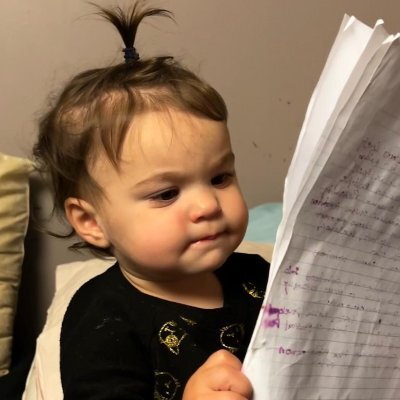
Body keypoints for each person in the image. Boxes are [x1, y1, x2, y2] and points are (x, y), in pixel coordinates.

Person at [33, 2, 270, 399]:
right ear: (91, 222)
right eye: (166, 194)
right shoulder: (102, 318)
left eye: (219, 178)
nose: (208, 206)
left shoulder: (258, 277)